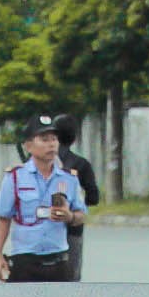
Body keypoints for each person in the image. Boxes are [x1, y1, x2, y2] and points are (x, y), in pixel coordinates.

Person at [0, 114, 84, 283]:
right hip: (25, 260)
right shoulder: (15, 177)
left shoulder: (69, 178)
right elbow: (4, 219)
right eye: (44, 139)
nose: (51, 144)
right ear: (28, 146)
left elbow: (81, 215)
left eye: (54, 139)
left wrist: (69, 216)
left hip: (58, 260)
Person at [52, 114, 101, 280]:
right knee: (71, 277)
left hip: (45, 227)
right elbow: (93, 197)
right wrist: (77, 202)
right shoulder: (81, 164)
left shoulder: (39, 163)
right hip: (72, 227)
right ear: (74, 137)